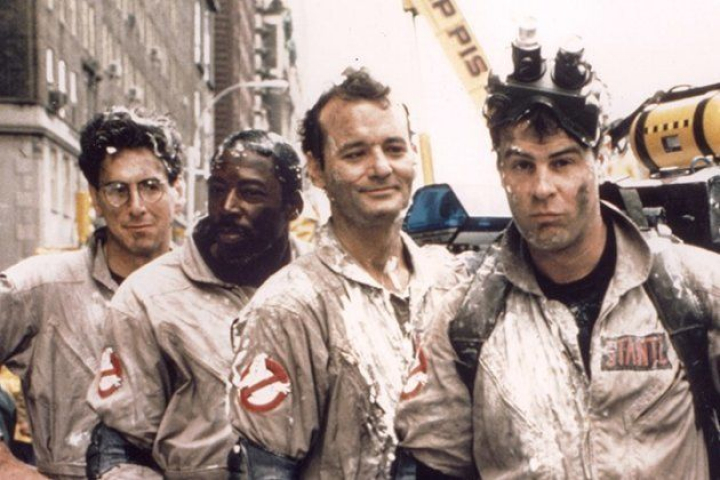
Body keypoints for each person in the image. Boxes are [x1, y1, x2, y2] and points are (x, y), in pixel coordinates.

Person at [395, 29, 720, 480]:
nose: (542, 188)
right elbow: (436, 468)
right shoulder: (461, 318)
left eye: (563, 162)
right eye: (522, 165)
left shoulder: (694, 288)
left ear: (599, 160)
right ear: (501, 169)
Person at [227, 68, 467, 479]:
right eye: (355, 154)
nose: (381, 168)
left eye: (394, 148)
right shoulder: (287, 309)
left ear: (413, 154)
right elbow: (264, 471)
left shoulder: (451, 283)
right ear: (317, 170)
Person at [85, 129, 308, 479]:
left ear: (293, 205)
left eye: (250, 192)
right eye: (217, 190)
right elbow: (119, 449)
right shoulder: (147, 296)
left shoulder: (324, 291)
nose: (228, 206)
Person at [0, 107, 184, 479]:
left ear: (176, 191)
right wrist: (6, 465)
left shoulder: (209, 294)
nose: (136, 207)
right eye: (118, 190)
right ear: (95, 199)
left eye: (151, 186)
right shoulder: (42, 288)